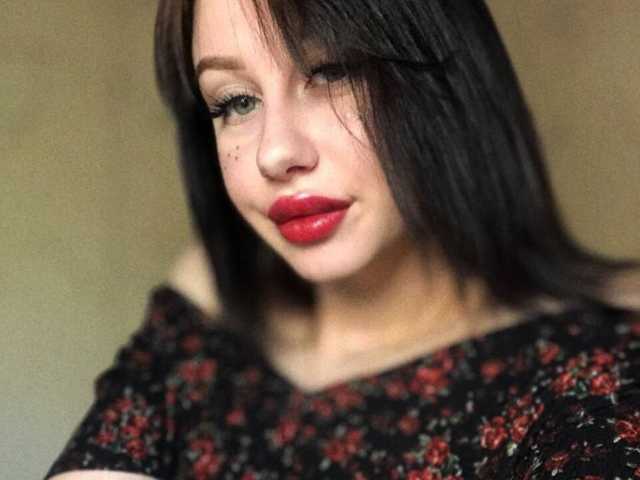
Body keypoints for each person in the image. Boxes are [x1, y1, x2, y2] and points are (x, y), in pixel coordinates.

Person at [45, 0, 640, 478]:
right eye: (235, 101)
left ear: (446, 83)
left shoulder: (591, 382)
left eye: (332, 71)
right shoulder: (201, 331)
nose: (276, 153)